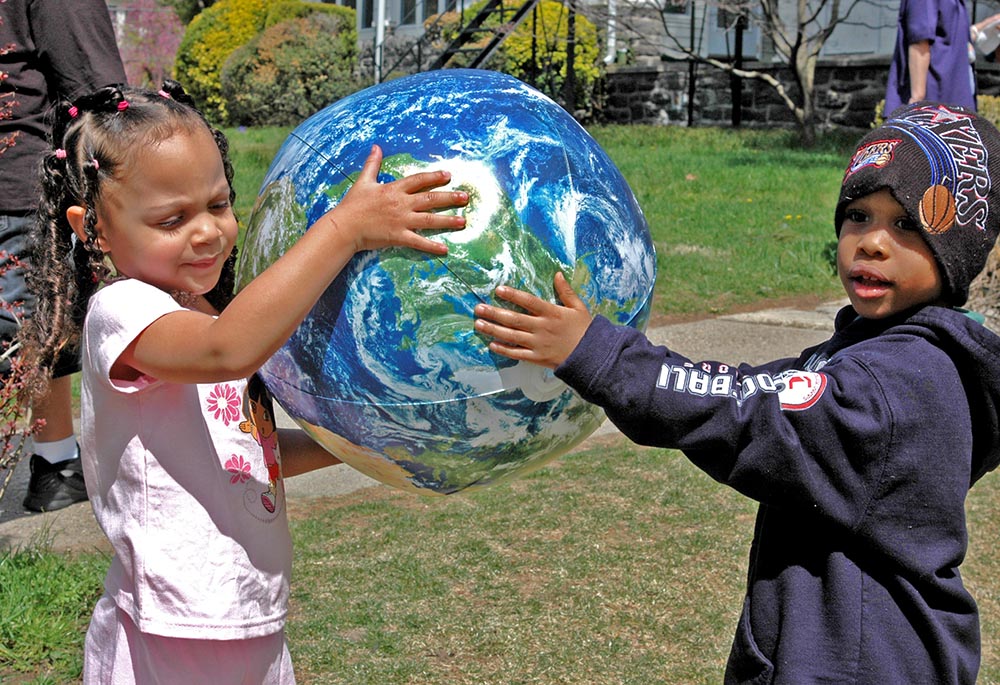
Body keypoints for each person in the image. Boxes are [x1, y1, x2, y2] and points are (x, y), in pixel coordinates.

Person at [473, 101, 1000, 684]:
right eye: (857, 215)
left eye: (906, 225)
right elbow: (756, 387)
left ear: (956, 253)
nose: (872, 242)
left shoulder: (899, 385)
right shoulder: (876, 351)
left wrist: (598, 353)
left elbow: (742, 412)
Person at [19, 81, 468, 683]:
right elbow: (229, 351)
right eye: (171, 218)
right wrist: (345, 230)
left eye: (218, 204)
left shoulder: (203, 313)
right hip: (173, 631)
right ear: (92, 227)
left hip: (248, 615)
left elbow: (246, 456)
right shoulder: (121, 312)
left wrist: (369, 444)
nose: (207, 232)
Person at [0, 0, 126, 512]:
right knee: (27, 334)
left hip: (15, 190)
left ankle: (55, 464)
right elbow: (99, 92)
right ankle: (55, 466)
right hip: (15, 193)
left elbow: (96, 96)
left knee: (30, 334)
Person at [884, 0, 976, 114]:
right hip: (934, 104)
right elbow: (919, 41)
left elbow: (954, 37)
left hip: (950, 101)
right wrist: (916, 103)